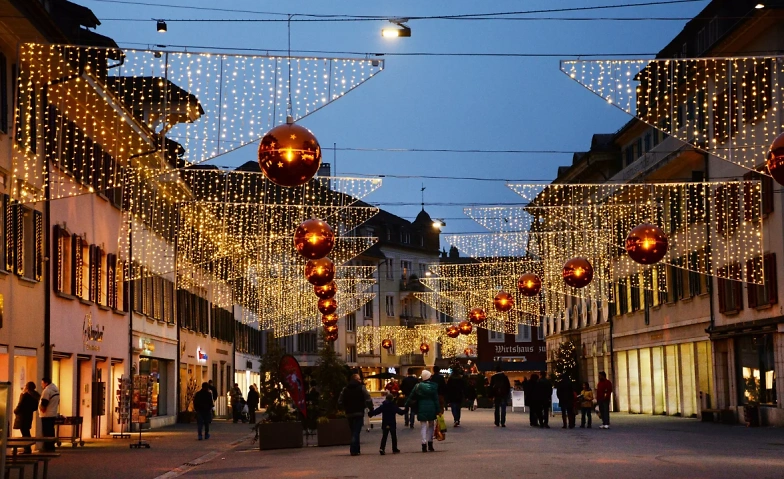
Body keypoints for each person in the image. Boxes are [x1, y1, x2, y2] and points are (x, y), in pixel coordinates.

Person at [405, 370, 440, 453]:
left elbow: (411, 396)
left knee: (423, 426)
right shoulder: (433, 387)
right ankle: (430, 443)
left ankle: (423, 444)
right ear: (429, 377)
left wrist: (406, 405)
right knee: (431, 425)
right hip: (431, 408)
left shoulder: (418, 386)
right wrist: (438, 410)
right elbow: (436, 399)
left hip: (421, 407)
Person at [338, 374, 372, 456]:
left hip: (349, 413)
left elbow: (340, 401)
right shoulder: (361, 388)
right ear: (356, 379)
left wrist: (342, 408)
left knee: (353, 430)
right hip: (359, 412)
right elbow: (368, 398)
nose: (360, 380)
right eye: (359, 379)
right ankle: (353, 449)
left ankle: (357, 449)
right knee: (356, 431)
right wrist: (371, 408)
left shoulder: (345, 389)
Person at [13, 382, 40, 454]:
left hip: (22, 416)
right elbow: (35, 407)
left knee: (24, 433)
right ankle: (28, 448)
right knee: (26, 432)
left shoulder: (25, 395)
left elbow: (20, 404)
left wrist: (15, 411)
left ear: (27, 387)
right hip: (28, 416)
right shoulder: (35, 396)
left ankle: (27, 449)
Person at [39, 377, 60, 452]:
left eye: (42, 383)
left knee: (46, 432)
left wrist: (42, 409)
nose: (41, 385)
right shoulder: (56, 390)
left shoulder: (47, 391)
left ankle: (47, 447)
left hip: (46, 414)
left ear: (46, 383)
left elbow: (44, 402)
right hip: (53, 413)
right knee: (51, 430)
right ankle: (51, 446)